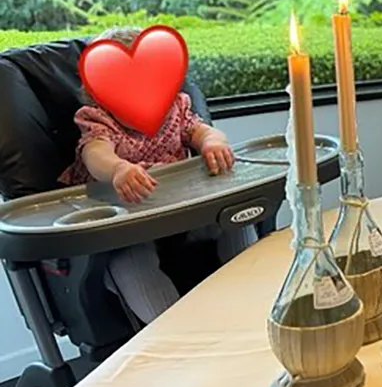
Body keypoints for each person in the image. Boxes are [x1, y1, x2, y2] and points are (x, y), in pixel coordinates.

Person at [59, 26, 253, 324]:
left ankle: (252, 298)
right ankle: (173, 331)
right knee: (129, 260)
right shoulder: (99, 119)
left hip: (184, 210)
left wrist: (213, 143)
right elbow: (94, 153)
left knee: (237, 218)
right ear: (100, 94)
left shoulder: (176, 108)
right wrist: (118, 169)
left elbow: (201, 131)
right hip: (132, 222)